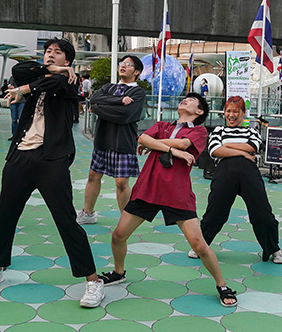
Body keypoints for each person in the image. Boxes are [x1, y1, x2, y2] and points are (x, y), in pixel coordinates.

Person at [0, 39, 104, 309]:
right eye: (48, 52)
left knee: (65, 219)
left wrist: (36, 84)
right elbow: (20, 72)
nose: (50, 55)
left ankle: (93, 280)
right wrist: (48, 72)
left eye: (58, 53)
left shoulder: (69, 81)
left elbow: (51, 85)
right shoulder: (47, 74)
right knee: (6, 214)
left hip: (51, 158)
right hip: (20, 155)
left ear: (69, 60)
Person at [97, 93, 238, 307]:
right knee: (118, 235)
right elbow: (143, 138)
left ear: (199, 112)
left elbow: (181, 144)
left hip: (177, 194)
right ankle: (118, 272)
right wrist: (169, 148)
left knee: (199, 245)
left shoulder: (198, 131)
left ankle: (222, 285)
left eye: (191, 101)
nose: (185, 100)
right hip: (147, 190)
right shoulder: (162, 124)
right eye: (185, 99)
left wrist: (154, 143)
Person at [193, 96, 282, 264]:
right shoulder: (218, 130)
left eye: (236, 111)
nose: (231, 115)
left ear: (243, 113)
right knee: (215, 213)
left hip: (249, 173)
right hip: (224, 172)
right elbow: (215, 150)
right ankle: (200, 246)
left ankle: (273, 249)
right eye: (228, 111)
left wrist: (227, 146)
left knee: (262, 213)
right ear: (224, 113)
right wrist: (242, 153)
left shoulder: (252, 131)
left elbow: (253, 147)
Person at [78, 55, 146, 224]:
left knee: (121, 182)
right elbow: (93, 100)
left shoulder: (137, 92)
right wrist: (118, 101)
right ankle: (88, 213)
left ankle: (126, 220)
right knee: (93, 176)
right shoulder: (109, 87)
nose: (123, 66)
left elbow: (124, 116)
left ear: (136, 71)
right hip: (102, 139)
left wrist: (100, 108)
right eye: (121, 63)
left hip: (123, 141)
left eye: (128, 65)